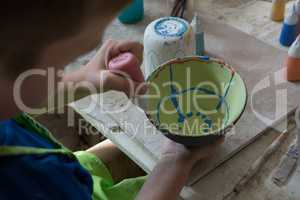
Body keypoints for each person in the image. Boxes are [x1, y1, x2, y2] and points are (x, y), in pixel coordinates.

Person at [0, 1, 223, 199]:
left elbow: (21, 92)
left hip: (75, 170)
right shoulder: (28, 179)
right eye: (66, 61)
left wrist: (86, 78)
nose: (62, 72)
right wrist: (176, 160)